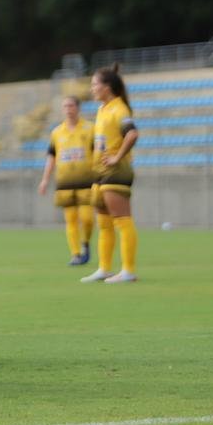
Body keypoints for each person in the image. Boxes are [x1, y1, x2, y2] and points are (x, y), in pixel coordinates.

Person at [81, 65, 139, 284]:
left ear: (107, 87)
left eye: (95, 84)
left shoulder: (119, 109)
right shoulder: (102, 109)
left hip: (116, 171)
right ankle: (104, 268)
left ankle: (128, 270)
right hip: (100, 173)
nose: (92, 88)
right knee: (104, 223)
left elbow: (132, 134)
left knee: (122, 221)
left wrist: (116, 157)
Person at [38, 96, 95, 266]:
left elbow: (98, 152)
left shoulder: (90, 128)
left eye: (71, 105)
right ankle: (76, 254)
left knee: (87, 218)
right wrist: (45, 179)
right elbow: (51, 157)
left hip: (86, 180)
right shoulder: (57, 132)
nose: (68, 109)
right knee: (70, 219)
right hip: (64, 182)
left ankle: (85, 243)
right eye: (65, 106)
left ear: (78, 108)